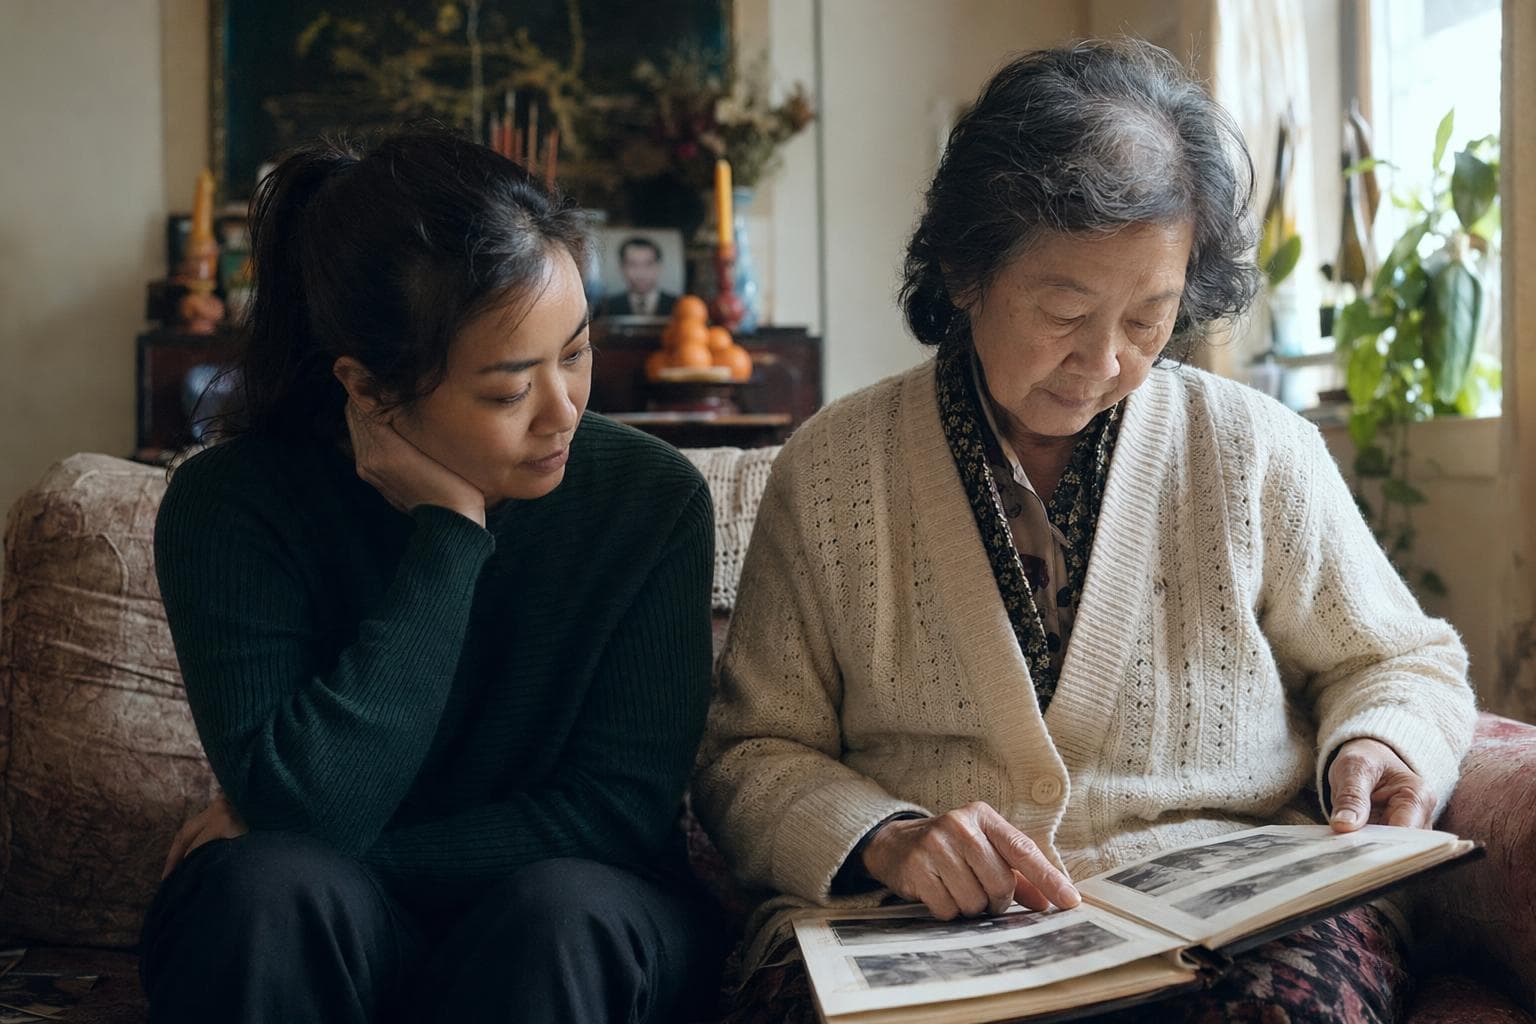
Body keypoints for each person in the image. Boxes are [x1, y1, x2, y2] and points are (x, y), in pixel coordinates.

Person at [693, 40, 1476, 1024]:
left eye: (1150, 318)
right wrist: (885, 834)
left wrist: (1381, 741)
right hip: (923, 924)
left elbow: (1402, 661)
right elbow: (749, 751)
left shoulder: (1254, 449)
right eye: (1063, 309)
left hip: (1230, 919)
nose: (1104, 360)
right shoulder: (831, 470)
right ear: (966, 268)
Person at [140, 127, 721, 1024]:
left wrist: (367, 851)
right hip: (331, 919)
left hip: (576, 919)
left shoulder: (651, 501)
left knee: (560, 913)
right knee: (265, 886)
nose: (563, 412)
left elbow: (615, 814)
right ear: (368, 390)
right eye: (506, 390)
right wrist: (450, 536)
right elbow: (308, 812)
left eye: (574, 353)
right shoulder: (232, 508)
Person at [597, 236, 679, 317]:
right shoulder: (606, 307)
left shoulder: (678, 305)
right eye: (632, 264)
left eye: (648, 264)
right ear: (621, 268)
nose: (641, 273)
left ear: (659, 266)